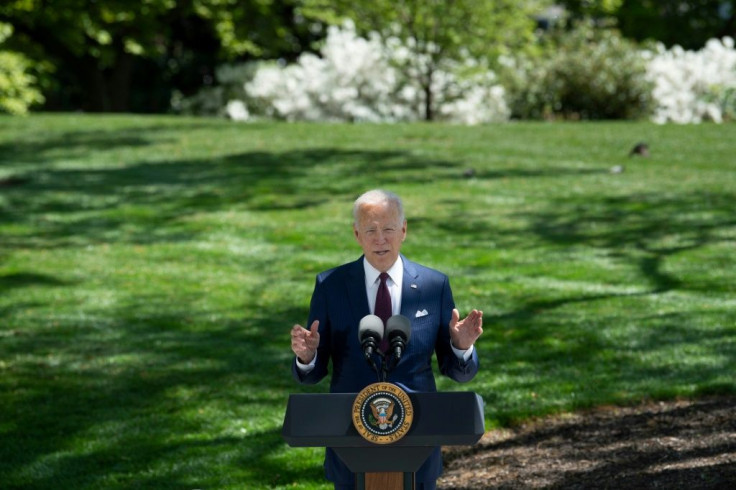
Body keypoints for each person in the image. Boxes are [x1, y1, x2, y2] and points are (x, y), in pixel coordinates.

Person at [290, 189, 484, 490]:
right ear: (357, 234)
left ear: (404, 230)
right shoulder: (331, 286)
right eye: (371, 230)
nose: (380, 239)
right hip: (351, 440)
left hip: (418, 438)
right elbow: (312, 376)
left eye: (389, 229)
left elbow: (459, 372)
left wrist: (461, 346)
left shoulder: (435, 285)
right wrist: (307, 357)